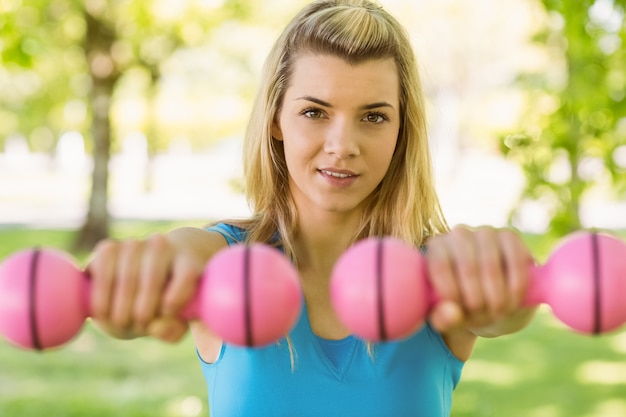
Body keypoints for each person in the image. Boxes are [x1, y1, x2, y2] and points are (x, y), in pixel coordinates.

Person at [87, 1, 538, 415]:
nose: (342, 146)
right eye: (314, 112)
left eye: (374, 117)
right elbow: (178, 255)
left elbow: (506, 314)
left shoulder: (440, 275)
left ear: (402, 130)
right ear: (276, 119)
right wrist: (146, 273)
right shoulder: (224, 261)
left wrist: (504, 295)